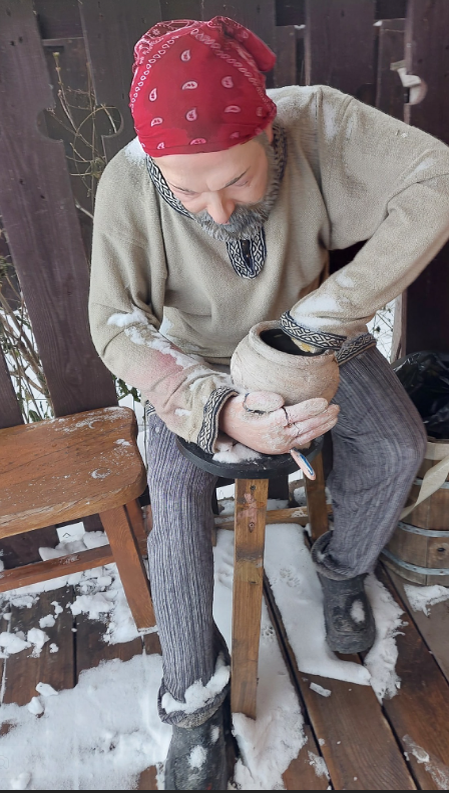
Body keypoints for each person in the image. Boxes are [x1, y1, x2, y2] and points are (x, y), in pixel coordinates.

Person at [88, 16, 449, 789]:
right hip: (193, 363)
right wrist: (215, 408)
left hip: (312, 335)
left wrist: (325, 316)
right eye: (189, 191)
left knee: (394, 446)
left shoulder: (313, 120)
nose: (216, 211)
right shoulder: (128, 177)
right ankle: (192, 697)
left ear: (269, 135)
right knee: (178, 500)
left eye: (238, 182)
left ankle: (343, 566)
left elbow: (438, 180)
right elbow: (116, 325)